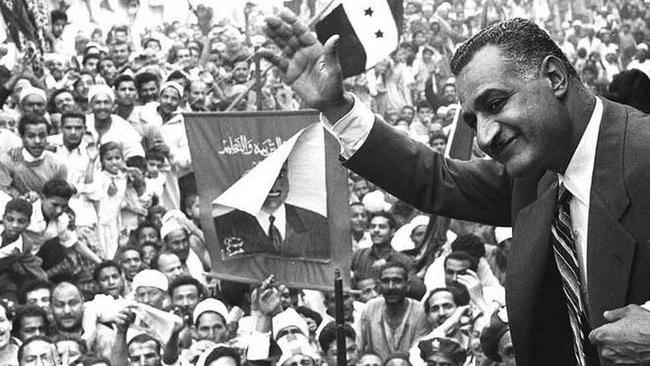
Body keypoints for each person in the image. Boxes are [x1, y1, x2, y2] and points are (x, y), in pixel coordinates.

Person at [261, 12, 650, 365]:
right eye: (472, 119)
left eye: (495, 103)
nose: (484, 136)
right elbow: (435, 179)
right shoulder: (535, 176)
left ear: (555, 78)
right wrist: (337, 108)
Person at [213, 162, 329, 259]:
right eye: (264, 177)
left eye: (280, 175)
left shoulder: (317, 224)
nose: (273, 186)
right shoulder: (221, 226)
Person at [358, 261, 428, 360]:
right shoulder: (371, 308)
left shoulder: (420, 311)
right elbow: (358, 347)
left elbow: (419, 354)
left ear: (407, 285)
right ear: (379, 285)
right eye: (386, 281)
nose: (391, 287)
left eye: (397, 281)